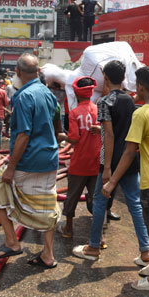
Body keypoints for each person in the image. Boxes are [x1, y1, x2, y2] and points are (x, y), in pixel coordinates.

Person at [103, 66, 149, 291]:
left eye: (137, 86)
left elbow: (129, 152)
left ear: (142, 88)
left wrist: (112, 181)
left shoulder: (142, 114)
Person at [0, 53, 60, 268]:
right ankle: (48, 255)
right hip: (50, 158)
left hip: (29, 160)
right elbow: (56, 126)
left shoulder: (24, 96)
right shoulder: (48, 93)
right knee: (48, 205)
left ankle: (12, 241)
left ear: (17, 72)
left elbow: (23, 135)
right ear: (38, 72)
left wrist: (11, 167)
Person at [72, 61, 149, 263]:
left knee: (99, 201)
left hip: (111, 161)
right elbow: (123, 130)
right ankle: (146, 250)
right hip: (130, 159)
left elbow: (109, 134)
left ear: (105, 77)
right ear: (123, 77)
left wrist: (106, 167)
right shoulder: (129, 101)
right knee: (135, 204)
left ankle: (94, 247)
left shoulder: (105, 102)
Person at [56, 76, 101, 238]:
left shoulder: (74, 113)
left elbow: (74, 138)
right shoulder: (98, 110)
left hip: (79, 163)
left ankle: (68, 228)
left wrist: (63, 136)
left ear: (76, 93)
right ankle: (99, 236)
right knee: (97, 199)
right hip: (96, 162)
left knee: (72, 197)